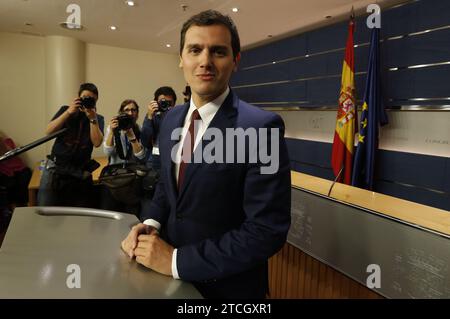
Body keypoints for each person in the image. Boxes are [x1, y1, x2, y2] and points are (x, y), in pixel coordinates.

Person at [121, 10, 291, 299]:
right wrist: (149, 224)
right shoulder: (171, 120)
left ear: (235, 61)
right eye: (195, 50)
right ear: (181, 58)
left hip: (228, 290)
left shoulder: (262, 127)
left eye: (218, 51)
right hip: (166, 285)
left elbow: (266, 230)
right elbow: (166, 187)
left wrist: (176, 261)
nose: (205, 61)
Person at [37, 82, 104, 207]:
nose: (87, 101)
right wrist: (68, 112)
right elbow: (49, 131)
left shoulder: (98, 119)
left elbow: (97, 142)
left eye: (92, 99)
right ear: (78, 98)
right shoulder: (66, 110)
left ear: (96, 100)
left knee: (78, 215)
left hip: (79, 172)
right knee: (46, 210)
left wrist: (92, 119)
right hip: (56, 169)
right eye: (85, 97)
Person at [101, 99, 146, 215]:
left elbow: (140, 156)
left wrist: (132, 137)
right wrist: (111, 131)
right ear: (121, 113)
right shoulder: (113, 129)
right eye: (127, 110)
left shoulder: (139, 129)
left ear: (137, 113)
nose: (130, 113)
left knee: (131, 215)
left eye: (133, 110)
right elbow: (107, 152)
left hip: (132, 179)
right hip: (114, 178)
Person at [140, 86, 177, 172]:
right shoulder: (152, 116)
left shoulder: (179, 116)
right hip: (155, 161)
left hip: (173, 159)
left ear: (174, 103)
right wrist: (149, 116)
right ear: (156, 102)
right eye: (162, 102)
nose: (165, 105)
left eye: (169, 102)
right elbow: (145, 141)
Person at [0, 131, 32, 208]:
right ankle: (13, 208)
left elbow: (11, 153)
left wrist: (1, 143)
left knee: (24, 179)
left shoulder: (8, 141)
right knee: (10, 184)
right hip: (5, 174)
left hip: (20, 170)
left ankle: (26, 205)